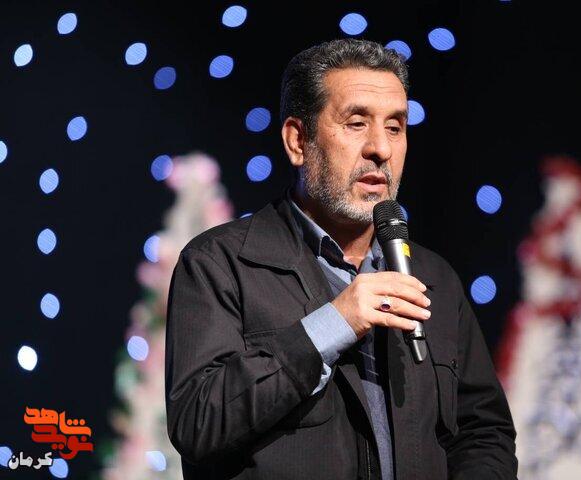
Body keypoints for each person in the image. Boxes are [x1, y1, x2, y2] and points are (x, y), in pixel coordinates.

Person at [165, 38, 517, 480]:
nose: (381, 148)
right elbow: (197, 422)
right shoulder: (220, 263)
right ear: (298, 141)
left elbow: (484, 431)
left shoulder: (433, 278)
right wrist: (334, 324)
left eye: (395, 127)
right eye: (356, 123)